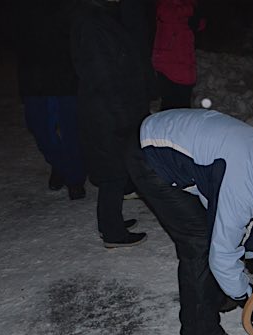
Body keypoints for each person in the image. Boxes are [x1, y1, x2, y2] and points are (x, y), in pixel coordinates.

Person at [126, 108, 253, 335]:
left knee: (216, 230)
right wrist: (248, 299)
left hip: (184, 140)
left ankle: (218, 293)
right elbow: (222, 254)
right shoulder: (241, 189)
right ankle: (199, 330)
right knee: (199, 242)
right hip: (150, 153)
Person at [70, 0, 153, 247]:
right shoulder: (93, 23)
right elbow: (103, 75)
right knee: (113, 174)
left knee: (115, 171)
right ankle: (113, 233)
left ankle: (110, 221)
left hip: (110, 109)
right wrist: (121, 115)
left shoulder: (98, 18)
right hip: (108, 112)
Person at [13, 0, 87, 200]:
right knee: (41, 130)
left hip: (65, 77)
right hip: (34, 78)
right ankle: (61, 165)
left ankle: (75, 178)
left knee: (71, 130)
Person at [152, 0, 205, 110]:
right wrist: (191, 10)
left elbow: (200, 24)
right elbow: (166, 14)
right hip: (168, 64)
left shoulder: (188, 5)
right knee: (171, 107)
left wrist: (196, 13)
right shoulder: (167, 5)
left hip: (185, 63)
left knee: (182, 108)